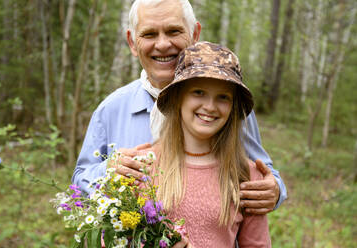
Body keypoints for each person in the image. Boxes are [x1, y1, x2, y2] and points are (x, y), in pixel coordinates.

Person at [72, 0, 287, 216]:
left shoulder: (225, 107)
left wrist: (274, 190)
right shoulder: (111, 109)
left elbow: (264, 173)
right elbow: (79, 183)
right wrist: (107, 171)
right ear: (132, 42)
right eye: (149, 34)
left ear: (195, 34)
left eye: (174, 31)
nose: (163, 44)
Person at [152, 41, 271, 247]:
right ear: (178, 97)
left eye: (223, 97)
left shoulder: (246, 175)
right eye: (198, 92)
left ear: (233, 107)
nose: (210, 106)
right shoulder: (144, 166)